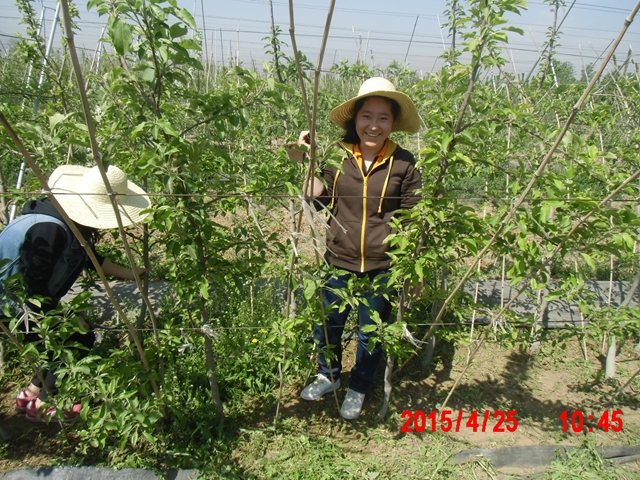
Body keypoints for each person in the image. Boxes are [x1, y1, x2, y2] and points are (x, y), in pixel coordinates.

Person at [296, 77, 422, 419]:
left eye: (383, 118)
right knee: (328, 324)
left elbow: (413, 215)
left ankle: (359, 386)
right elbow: (319, 199)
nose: (374, 125)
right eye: (367, 116)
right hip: (339, 259)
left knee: (372, 333)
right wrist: (307, 159)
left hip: (384, 266)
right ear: (355, 119)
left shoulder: (404, 162)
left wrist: (413, 266)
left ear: (393, 123)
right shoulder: (338, 156)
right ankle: (329, 375)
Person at [1, 164, 151, 423]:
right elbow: (33, 284)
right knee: (77, 338)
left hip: (18, 302)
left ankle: (31, 394)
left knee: (60, 342)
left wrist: (132, 274)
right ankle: (44, 406)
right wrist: (60, 317)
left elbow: (90, 258)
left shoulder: (57, 220)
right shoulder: (50, 230)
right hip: (13, 305)